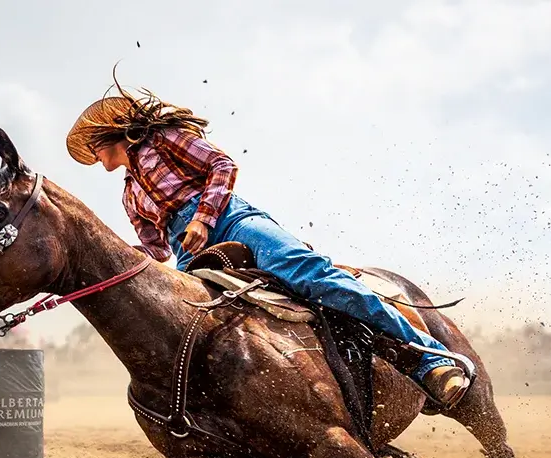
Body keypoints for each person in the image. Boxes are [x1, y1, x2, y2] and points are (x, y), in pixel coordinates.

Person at [65, 81, 471, 409]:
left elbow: (222, 166)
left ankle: (432, 359)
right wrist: (127, 262)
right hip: (188, 249)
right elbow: (155, 251)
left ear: (110, 136)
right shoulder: (131, 195)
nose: (94, 156)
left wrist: (204, 219)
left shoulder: (165, 139)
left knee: (311, 277)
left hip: (232, 219)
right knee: (190, 329)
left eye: (94, 147)